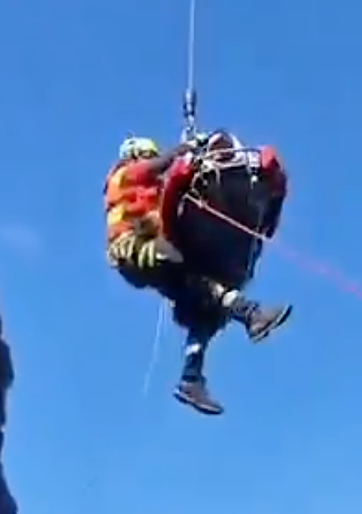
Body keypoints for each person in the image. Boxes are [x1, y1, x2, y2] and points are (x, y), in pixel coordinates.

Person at [105, 135, 292, 415]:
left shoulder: (152, 190)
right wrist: (184, 149)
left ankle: (191, 378)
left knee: (203, 308)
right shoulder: (123, 176)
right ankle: (250, 313)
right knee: (181, 265)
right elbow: (154, 167)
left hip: (152, 255)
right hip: (131, 247)